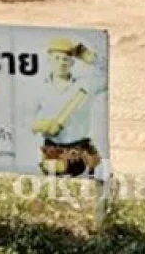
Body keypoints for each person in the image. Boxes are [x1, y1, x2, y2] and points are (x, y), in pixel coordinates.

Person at [31, 38, 108, 177]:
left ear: (72, 62)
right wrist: (41, 125)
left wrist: (93, 60)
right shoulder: (39, 89)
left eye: (66, 59)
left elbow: (110, 75)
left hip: (82, 154)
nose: (62, 63)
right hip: (52, 154)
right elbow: (23, 120)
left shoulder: (86, 85)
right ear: (49, 61)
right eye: (57, 58)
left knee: (88, 191)